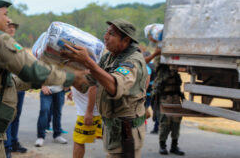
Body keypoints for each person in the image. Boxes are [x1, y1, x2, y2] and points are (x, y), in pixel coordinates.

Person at [0, 0, 87, 158]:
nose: (8, 20)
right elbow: (33, 70)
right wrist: (73, 77)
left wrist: (34, 83)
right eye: (5, 14)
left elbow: (5, 83)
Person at [62, 18, 148, 158]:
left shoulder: (133, 61)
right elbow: (86, 84)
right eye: (106, 32)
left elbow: (115, 86)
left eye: (112, 34)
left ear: (126, 41)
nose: (105, 37)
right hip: (113, 129)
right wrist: (64, 68)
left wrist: (88, 61)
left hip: (126, 133)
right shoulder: (109, 57)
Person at [144, 24, 185, 156]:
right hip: (164, 95)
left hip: (175, 95)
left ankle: (174, 145)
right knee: (165, 121)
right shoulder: (158, 58)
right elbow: (155, 63)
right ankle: (163, 145)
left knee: (176, 121)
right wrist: (159, 53)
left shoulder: (174, 61)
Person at [4, 22, 27, 156]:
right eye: (9, 26)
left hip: (20, 87)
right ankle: (6, 146)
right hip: (8, 87)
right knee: (7, 116)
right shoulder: (1, 44)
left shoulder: (17, 45)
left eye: (14, 27)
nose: (12, 29)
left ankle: (13, 142)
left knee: (16, 116)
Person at [68, 86, 102, 158]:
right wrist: (74, 92)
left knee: (79, 141)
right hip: (91, 111)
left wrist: (89, 112)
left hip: (89, 113)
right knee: (108, 138)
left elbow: (93, 87)